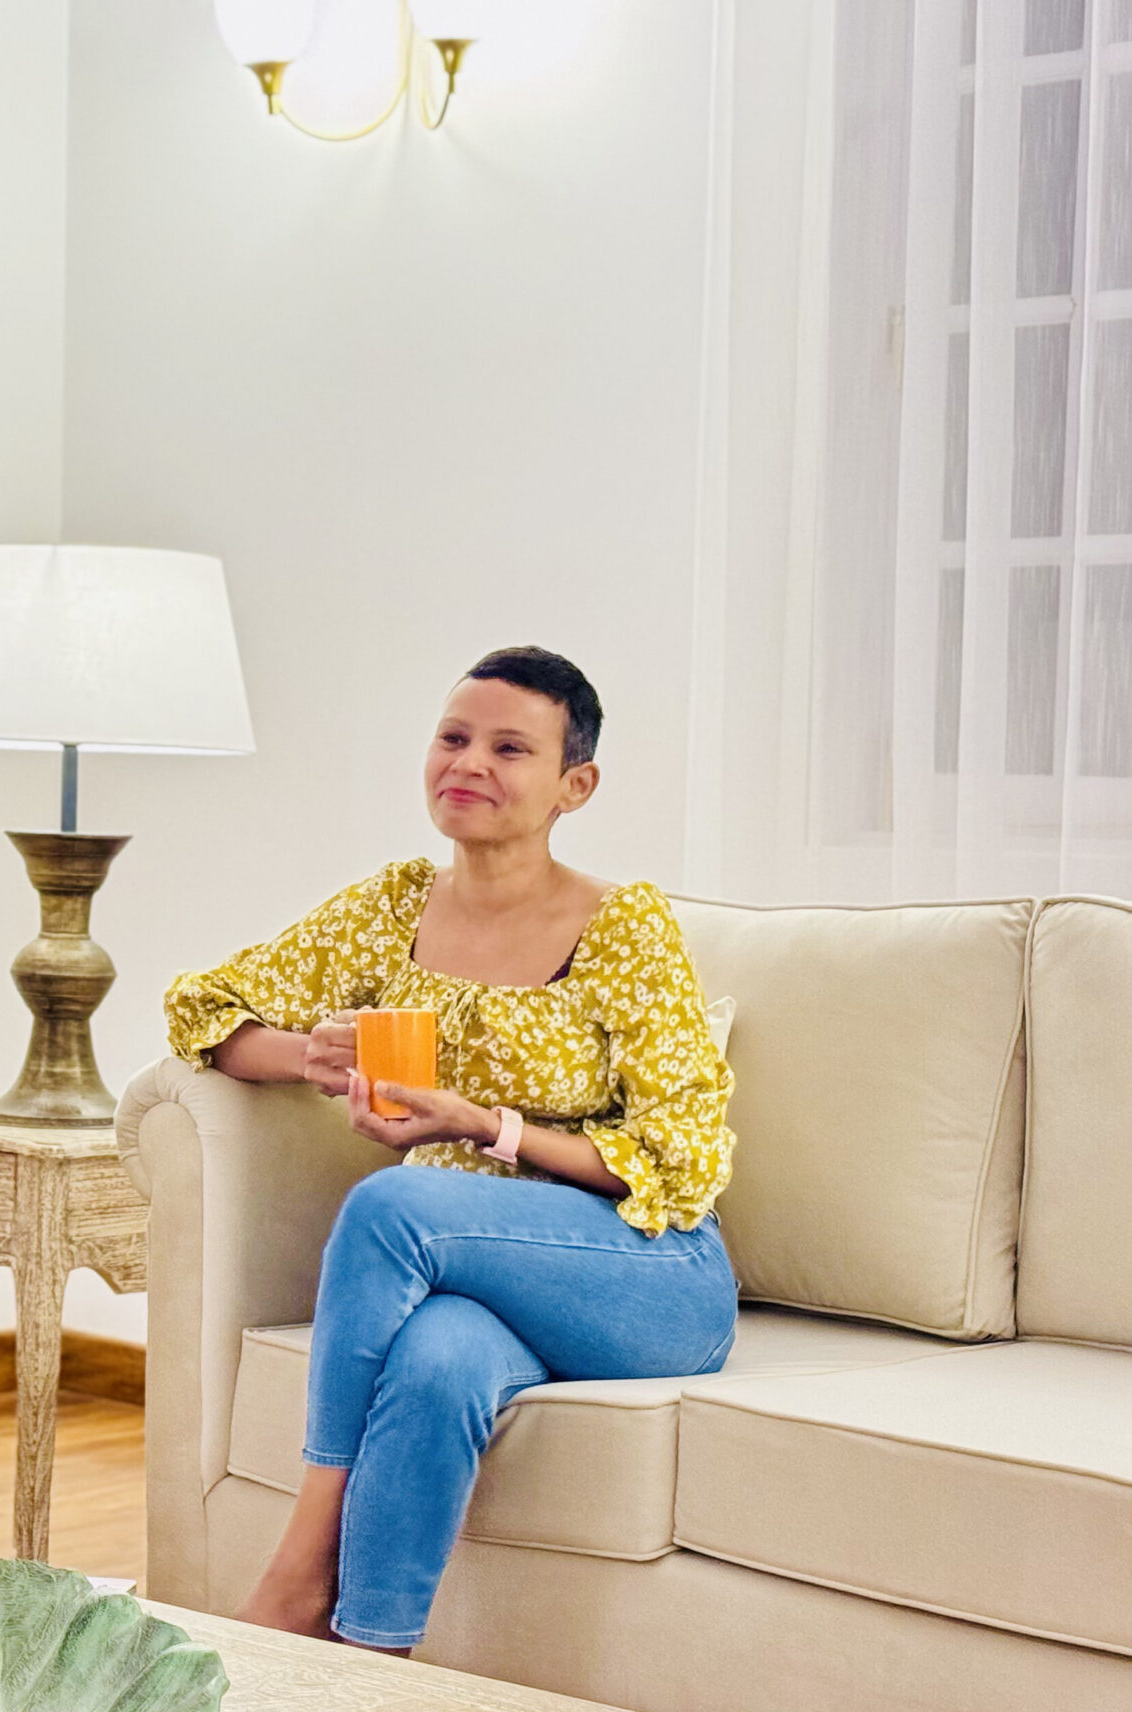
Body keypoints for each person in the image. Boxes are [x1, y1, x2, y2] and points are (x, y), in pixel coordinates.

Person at [162, 646, 735, 1652]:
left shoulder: (623, 930)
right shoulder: (389, 910)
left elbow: (680, 1160)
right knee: (438, 1360)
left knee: (392, 1205)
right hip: (466, 1274)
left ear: (574, 786)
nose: (467, 763)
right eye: (453, 737)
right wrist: (312, 1056)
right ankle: (368, 1664)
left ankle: (297, 1569)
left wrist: (480, 1124)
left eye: (509, 748)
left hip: (646, 1273)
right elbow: (203, 1009)